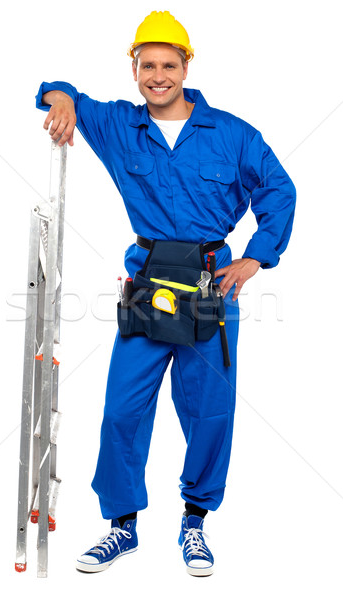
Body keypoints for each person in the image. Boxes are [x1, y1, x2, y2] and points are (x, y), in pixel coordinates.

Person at [35, 11, 296, 577]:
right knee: (123, 408)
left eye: (168, 65)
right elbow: (59, 89)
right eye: (147, 65)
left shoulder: (232, 134)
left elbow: (279, 189)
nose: (158, 76)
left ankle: (195, 520)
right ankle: (121, 526)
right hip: (147, 283)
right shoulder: (118, 126)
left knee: (209, 410)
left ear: (186, 66)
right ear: (134, 69)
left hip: (211, 284)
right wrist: (59, 100)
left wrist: (256, 257)